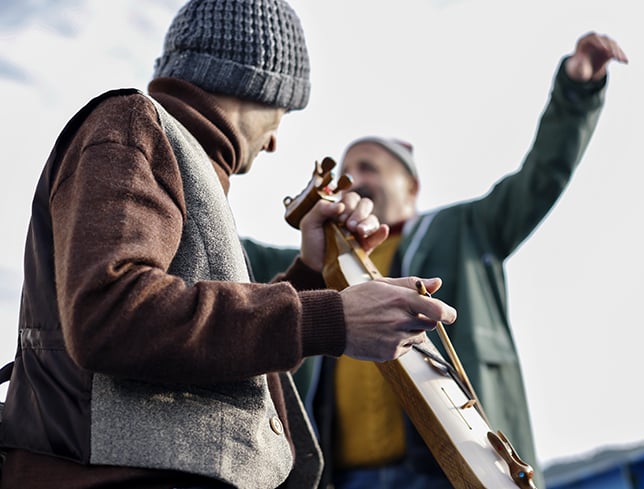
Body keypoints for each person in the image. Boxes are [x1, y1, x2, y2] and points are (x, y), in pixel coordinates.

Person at [0, 1, 458, 488]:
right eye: (282, 110)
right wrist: (333, 318)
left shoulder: (177, 158)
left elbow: (210, 347)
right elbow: (109, 314)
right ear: (257, 83)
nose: (276, 140)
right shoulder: (133, 125)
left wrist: (309, 272)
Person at [242, 32, 628, 489]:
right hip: (342, 479)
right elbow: (227, 244)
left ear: (411, 187)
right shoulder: (313, 263)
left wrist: (576, 91)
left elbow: (542, 176)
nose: (354, 179)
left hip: (454, 468)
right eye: (346, 170)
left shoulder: (465, 229)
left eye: (369, 167)